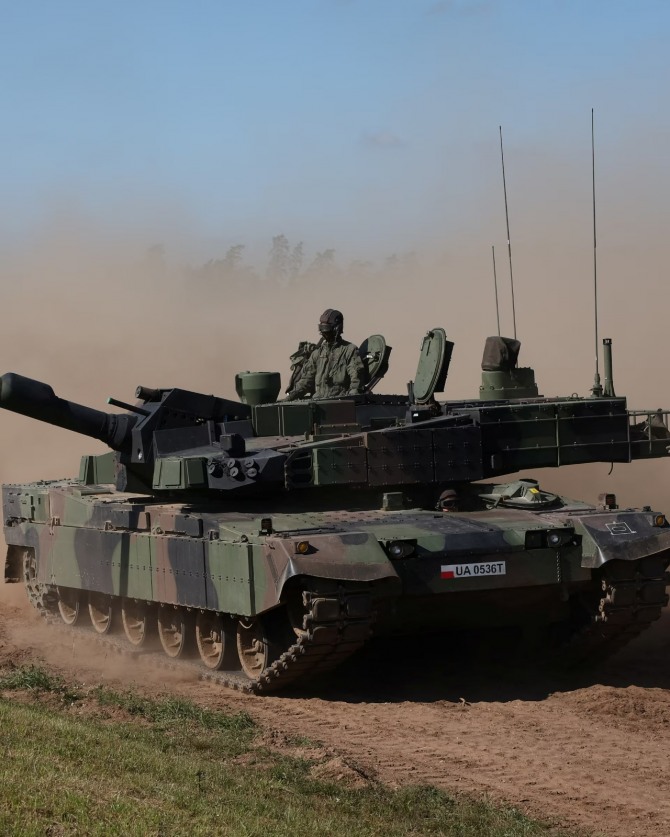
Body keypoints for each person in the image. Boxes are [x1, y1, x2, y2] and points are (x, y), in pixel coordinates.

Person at [286, 309, 365, 400]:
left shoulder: (349, 350)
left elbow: (356, 379)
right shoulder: (317, 353)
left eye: (327, 331)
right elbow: (306, 380)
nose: (324, 334)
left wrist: (351, 400)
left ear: (336, 329)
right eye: (322, 331)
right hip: (318, 401)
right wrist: (292, 395)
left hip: (339, 401)